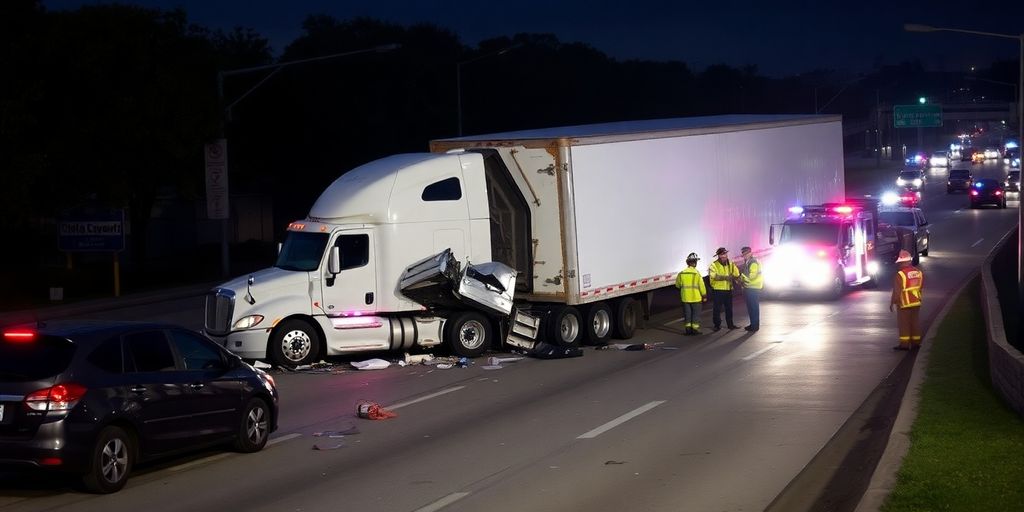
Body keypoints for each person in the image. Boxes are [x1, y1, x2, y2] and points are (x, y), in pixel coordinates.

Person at [890, 249, 923, 350]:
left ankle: (904, 344)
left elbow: (897, 291)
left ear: (903, 262)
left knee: (904, 323)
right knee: (915, 322)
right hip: (916, 301)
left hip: (904, 303)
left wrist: (893, 303)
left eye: (900, 262)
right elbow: (920, 287)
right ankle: (916, 343)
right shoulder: (918, 272)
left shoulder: (900, 274)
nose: (899, 265)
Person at [708, 247, 740, 331]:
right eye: (722, 254)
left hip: (728, 289)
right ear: (718, 256)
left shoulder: (730, 263)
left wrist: (736, 278)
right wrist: (726, 277)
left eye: (725, 254)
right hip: (718, 290)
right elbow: (713, 276)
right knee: (717, 309)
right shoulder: (713, 265)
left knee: (729, 308)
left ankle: (730, 325)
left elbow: (736, 273)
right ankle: (717, 325)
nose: (724, 256)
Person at [675, 253, 707, 335]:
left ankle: (688, 329)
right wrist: (704, 296)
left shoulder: (681, 273)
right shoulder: (697, 273)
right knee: (696, 314)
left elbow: (677, 285)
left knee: (687, 314)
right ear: (695, 263)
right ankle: (695, 329)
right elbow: (701, 286)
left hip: (685, 298)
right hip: (696, 298)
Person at [739, 246, 763, 332]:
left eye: (746, 254)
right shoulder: (748, 261)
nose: (744, 255)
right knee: (751, 308)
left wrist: (741, 277)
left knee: (753, 308)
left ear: (750, 253)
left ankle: (755, 326)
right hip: (749, 287)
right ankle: (753, 324)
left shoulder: (753, 263)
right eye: (743, 254)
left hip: (753, 288)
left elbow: (752, 276)